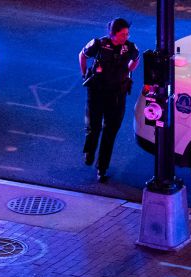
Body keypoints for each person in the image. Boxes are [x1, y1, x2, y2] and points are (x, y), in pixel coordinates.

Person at [79, 18, 139, 182]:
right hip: (97, 91)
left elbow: (136, 59)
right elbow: (82, 55)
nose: (125, 37)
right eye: (122, 34)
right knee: (94, 127)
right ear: (113, 34)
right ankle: (89, 151)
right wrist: (84, 74)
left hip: (117, 94)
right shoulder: (98, 44)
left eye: (127, 34)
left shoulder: (130, 47)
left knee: (110, 132)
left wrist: (128, 70)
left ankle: (102, 168)